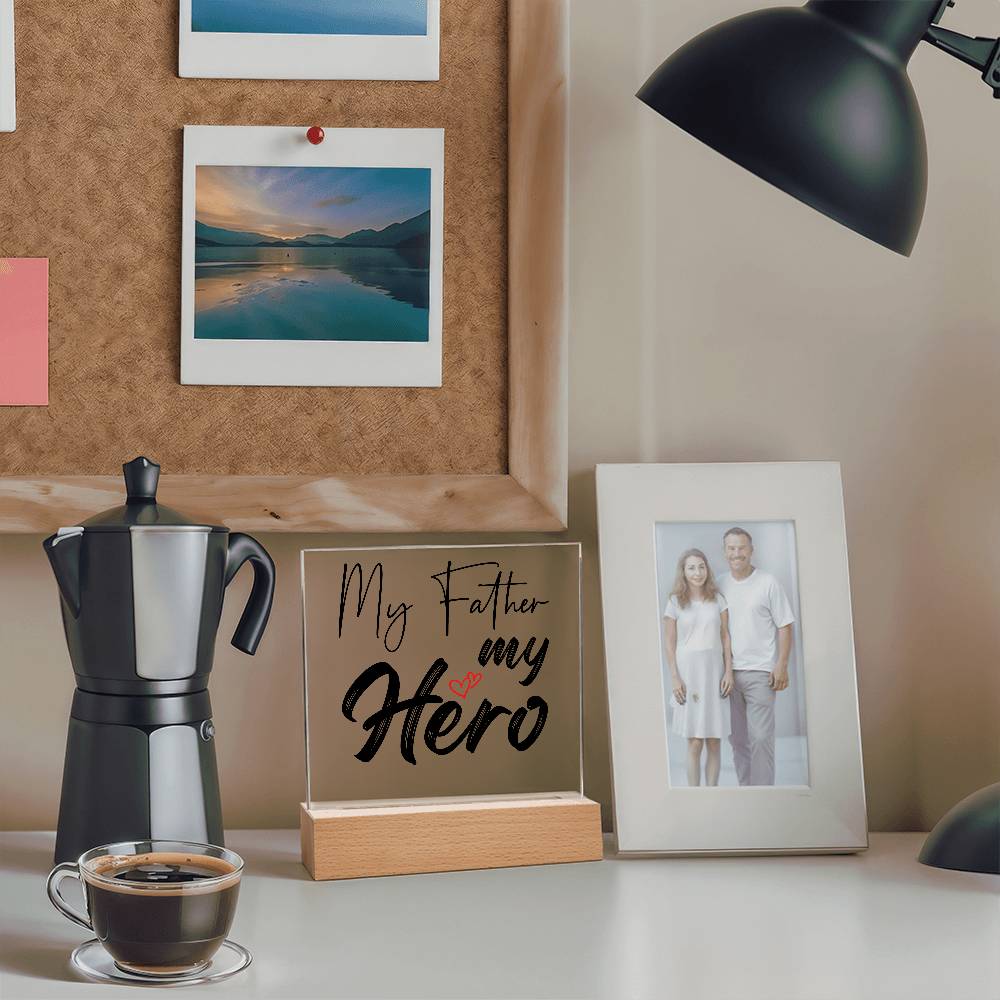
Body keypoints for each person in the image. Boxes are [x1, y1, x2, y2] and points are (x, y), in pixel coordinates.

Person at [716, 527, 796, 786]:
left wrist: (781, 665)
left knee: (760, 738)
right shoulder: (718, 584)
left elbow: (785, 625)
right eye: (731, 548)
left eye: (741, 547)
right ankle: (746, 794)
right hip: (727, 674)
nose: (736, 553)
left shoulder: (767, 583)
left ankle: (763, 797)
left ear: (751, 550)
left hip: (761, 672)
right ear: (724, 551)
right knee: (738, 739)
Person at [663, 549, 734, 787]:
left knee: (714, 740)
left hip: (715, 672)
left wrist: (728, 671)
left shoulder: (718, 599)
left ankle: (712, 793)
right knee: (694, 741)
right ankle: (694, 795)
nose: (697, 572)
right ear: (683, 571)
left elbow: (725, 637)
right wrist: (674, 678)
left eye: (701, 566)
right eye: (691, 567)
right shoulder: (674, 602)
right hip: (688, 673)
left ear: (707, 569)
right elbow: (670, 644)